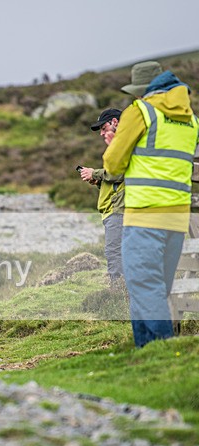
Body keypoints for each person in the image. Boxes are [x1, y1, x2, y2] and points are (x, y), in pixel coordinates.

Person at [103, 61, 199, 347]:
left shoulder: (140, 112)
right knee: (156, 290)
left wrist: (114, 145)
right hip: (176, 220)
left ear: (145, 90)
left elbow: (113, 164)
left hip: (144, 217)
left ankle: (162, 352)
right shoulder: (191, 120)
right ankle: (144, 352)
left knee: (144, 287)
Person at [79, 108, 125, 281]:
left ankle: (118, 300)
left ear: (115, 122)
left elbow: (119, 172)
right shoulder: (120, 144)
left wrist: (95, 173)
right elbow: (117, 179)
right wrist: (100, 182)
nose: (101, 134)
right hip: (115, 209)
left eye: (103, 128)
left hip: (119, 210)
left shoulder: (125, 144)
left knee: (115, 255)